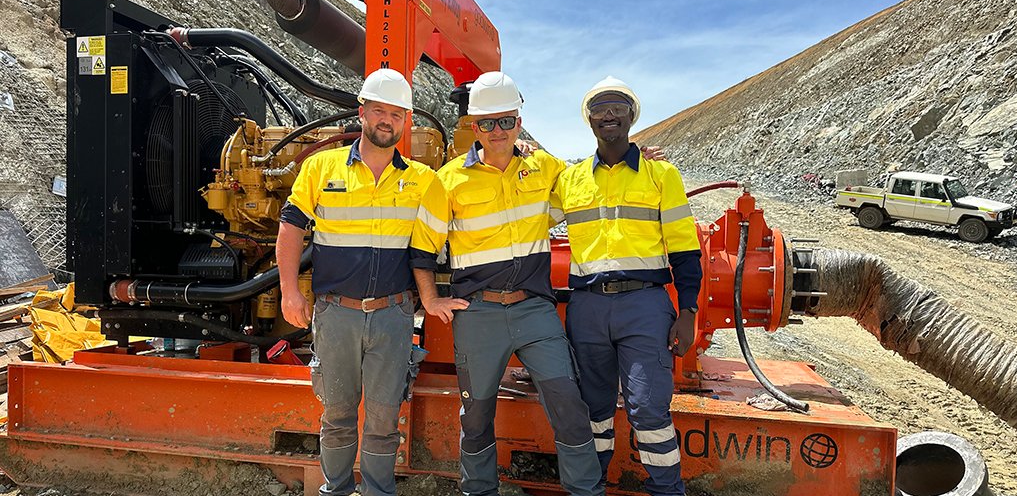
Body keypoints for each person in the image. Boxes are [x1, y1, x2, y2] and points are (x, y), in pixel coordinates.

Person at [412, 71, 605, 496]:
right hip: (478, 313)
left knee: (568, 404)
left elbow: (588, 179)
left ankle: (586, 491)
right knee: (476, 415)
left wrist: (631, 155)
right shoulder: (447, 181)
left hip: (535, 310)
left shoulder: (543, 166)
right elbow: (422, 247)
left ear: (519, 121)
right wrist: (430, 299)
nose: (497, 132)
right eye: (487, 123)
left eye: (506, 121)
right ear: (473, 126)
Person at [276, 68, 448, 496]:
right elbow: (291, 228)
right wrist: (289, 291)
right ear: (362, 112)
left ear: (406, 121)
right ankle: (335, 489)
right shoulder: (321, 166)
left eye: (396, 113)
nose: (387, 120)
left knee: (384, 418)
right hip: (336, 315)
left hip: (393, 315)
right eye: (379, 111)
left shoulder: (424, 180)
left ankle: (377, 491)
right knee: (337, 414)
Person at [552, 76, 703, 496]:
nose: (608, 115)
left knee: (648, 409)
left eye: (617, 107)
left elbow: (685, 250)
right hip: (587, 308)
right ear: (589, 120)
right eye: (600, 109)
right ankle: (591, 487)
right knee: (595, 410)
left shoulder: (661, 175)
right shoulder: (570, 179)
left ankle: (667, 491)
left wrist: (688, 313)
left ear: (631, 116)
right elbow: (532, 211)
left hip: (644, 305)